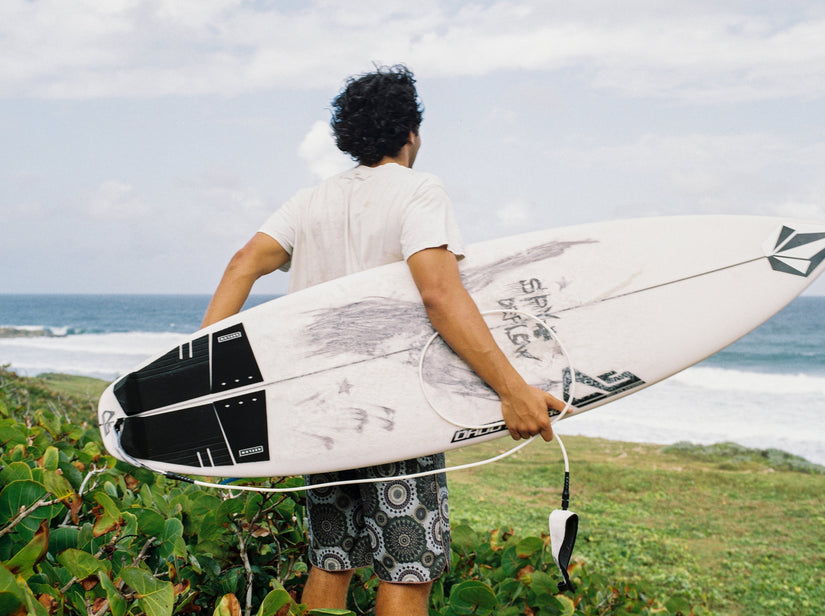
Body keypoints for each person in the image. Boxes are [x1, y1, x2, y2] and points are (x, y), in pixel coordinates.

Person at [201, 65, 565, 616]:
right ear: (411, 133)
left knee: (331, 560)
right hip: (399, 413)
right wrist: (513, 389)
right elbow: (440, 296)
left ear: (350, 135)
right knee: (407, 568)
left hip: (323, 413)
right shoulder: (420, 190)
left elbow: (241, 264)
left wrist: (205, 368)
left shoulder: (310, 202)